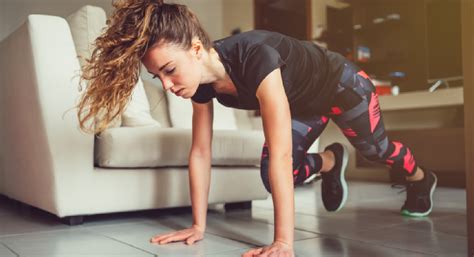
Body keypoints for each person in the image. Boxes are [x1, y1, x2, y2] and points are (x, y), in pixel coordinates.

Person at [77, 1, 438, 256]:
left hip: (344, 87)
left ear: (197, 48)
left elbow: (280, 148)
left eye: (169, 70)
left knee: (376, 151)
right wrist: (198, 227)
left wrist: (283, 242)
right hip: (305, 104)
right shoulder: (200, 86)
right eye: (158, 76)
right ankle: (330, 161)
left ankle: (420, 178)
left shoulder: (255, 57)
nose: (167, 85)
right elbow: (201, 152)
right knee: (271, 173)